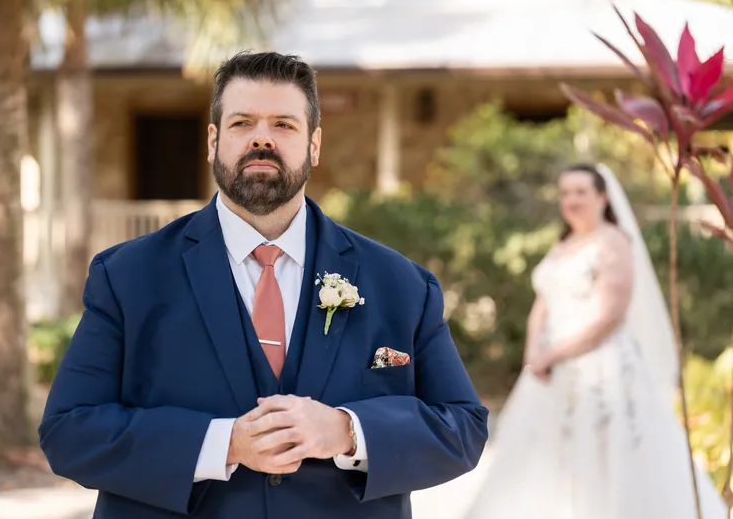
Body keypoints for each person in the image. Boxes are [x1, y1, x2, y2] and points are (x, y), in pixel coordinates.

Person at [38, 51, 489, 519]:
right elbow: (69, 431)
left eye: (283, 125)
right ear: (213, 141)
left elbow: (462, 427)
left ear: (314, 145)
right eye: (242, 123)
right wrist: (224, 444)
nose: (262, 139)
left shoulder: (402, 285)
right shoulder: (127, 276)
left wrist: (346, 431)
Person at [462, 163, 727, 519]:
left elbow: (610, 315)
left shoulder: (613, 242)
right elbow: (543, 304)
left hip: (602, 369)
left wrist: (553, 354)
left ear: (602, 197)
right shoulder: (563, 244)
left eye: (580, 192)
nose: (571, 200)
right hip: (548, 370)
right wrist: (533, 354)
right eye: (565, 193)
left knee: (604, 459)